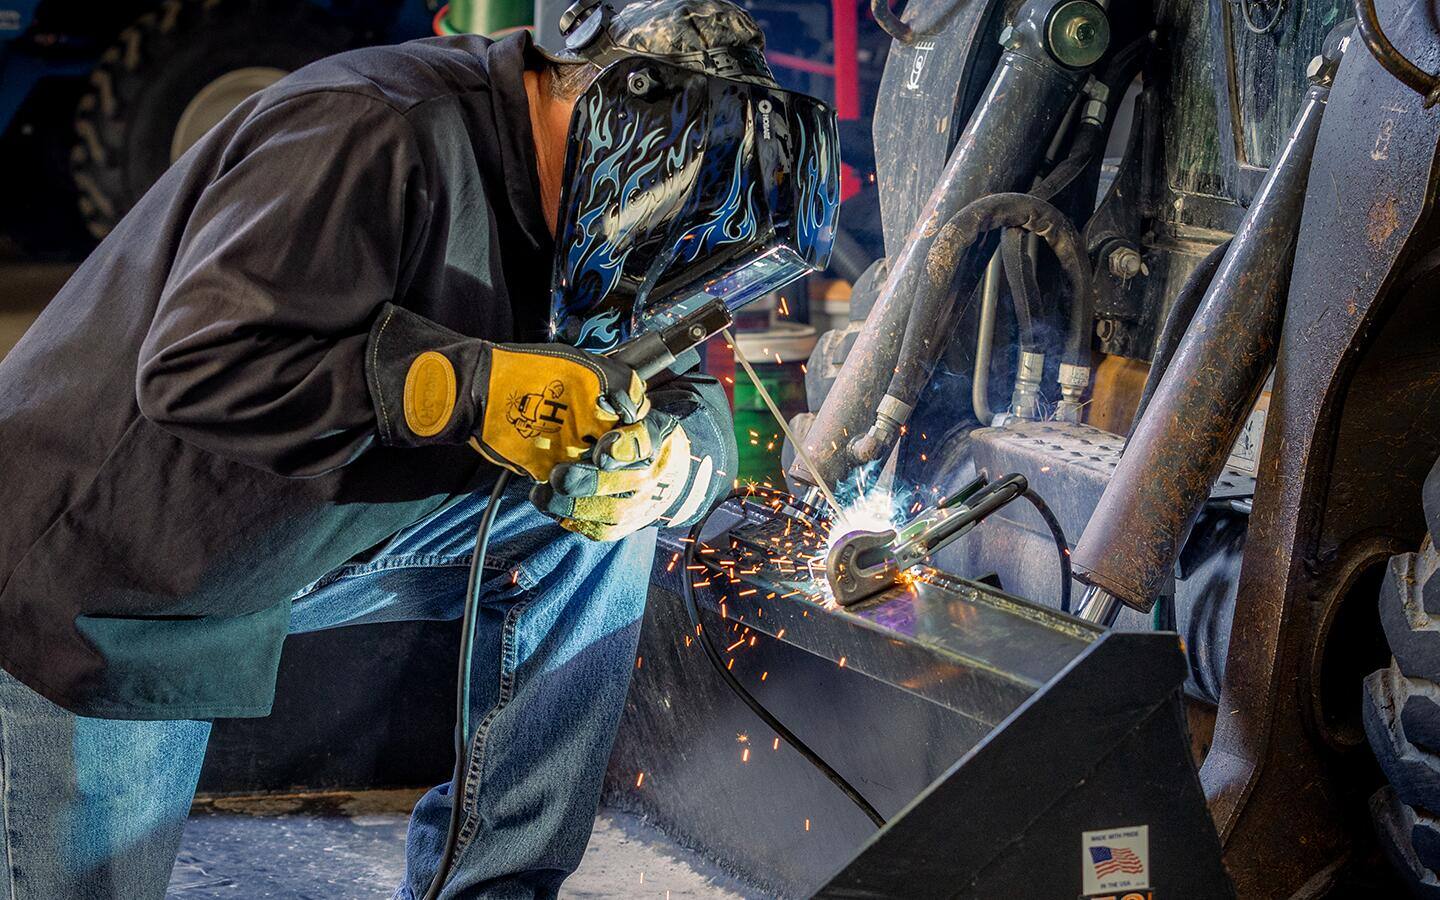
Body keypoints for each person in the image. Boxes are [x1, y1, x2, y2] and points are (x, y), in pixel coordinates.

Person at [0, 0, 838, 896]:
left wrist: (674, 466)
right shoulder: (369, 130)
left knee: (597, 514)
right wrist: (466, 388)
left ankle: (495, 885)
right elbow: (199, 371)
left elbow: (680, 391)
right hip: (108, 576)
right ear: (566, 82)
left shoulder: (622, 215)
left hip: (301, 531)